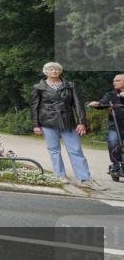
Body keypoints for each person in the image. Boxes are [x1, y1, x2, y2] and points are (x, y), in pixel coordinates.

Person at [30, 62, 103, 190]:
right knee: (54, 150)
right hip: (48, 121)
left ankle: (85, 179)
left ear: (60, 71)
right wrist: (36, 124)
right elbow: (34, 106)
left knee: (76, 150)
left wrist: (81, 122)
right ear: (45, 72)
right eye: (51, 69)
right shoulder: (38, 87)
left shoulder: (70, 85)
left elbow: (78, 104)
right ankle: (60, 176)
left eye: (56, 69)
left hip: (68, 121)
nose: (54, 71)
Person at [88, 73, 124, 176]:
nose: (114, 82)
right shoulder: (111, 94)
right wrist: (97, 104)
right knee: (113, 141)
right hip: (115, 125)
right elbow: (103, 102)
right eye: (114, 81)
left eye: (117, 80)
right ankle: (116, 164)